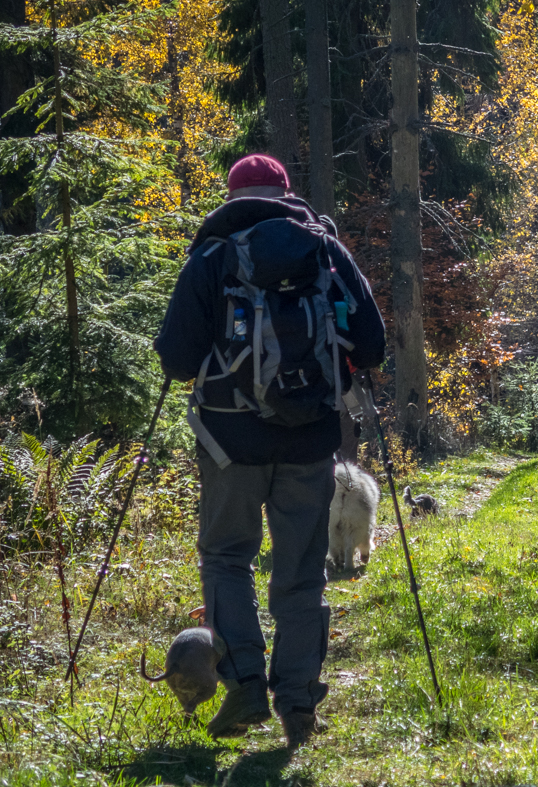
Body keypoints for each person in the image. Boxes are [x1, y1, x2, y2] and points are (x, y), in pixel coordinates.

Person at [155, 154, 385, 747]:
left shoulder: (212, 256)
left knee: (228, 558)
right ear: (288, 192)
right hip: (310, 440)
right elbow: (373, 344)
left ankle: (246, 685)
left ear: (233, 196)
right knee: (303, 574)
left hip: (229, 441)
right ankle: (300, 702)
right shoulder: (326, 254)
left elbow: (177, 358)